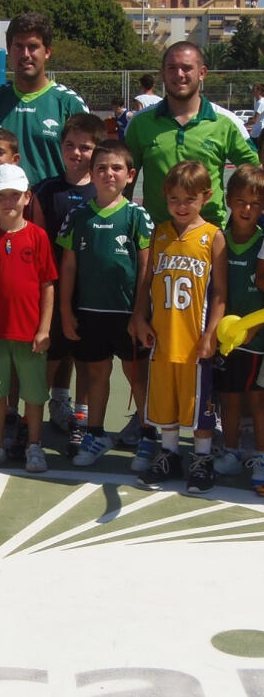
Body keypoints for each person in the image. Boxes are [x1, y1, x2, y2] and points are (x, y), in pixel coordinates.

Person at [130, 161, 226, 493]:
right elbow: (147, 283)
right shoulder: (159, 233)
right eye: (174, 199)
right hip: (161, 336)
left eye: (189, 199)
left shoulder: (213, 237)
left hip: (195, 341)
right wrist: (140, 317)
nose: (181, 206)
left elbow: (220, 294)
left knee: (198, 406)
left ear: (206, 197)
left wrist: (210, 335)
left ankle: (201, 459)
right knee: (165, 403)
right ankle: (169, 454)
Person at [57, 140, 154, 470]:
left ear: (130, 175)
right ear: (91, 173)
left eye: (116, 168)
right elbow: (68, 266)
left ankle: (149, 437)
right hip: (90, 312)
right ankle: (95, 433)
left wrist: (140, 313)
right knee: (96, 375)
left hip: (128, 315)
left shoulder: (136, 215)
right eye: (101, 168)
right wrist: (66, 310)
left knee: (137, 377)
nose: (108, 174)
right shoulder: (78, 215)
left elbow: (146, 266)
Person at [0, 163, 56, 473]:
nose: (8, 202)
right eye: (0, 196)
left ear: (27, 197)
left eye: (14, 195)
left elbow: (47, 286)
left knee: (33, 393)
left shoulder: (39, 237)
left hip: (31, 336)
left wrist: (44, 329)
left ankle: (33, 445)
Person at [30, 113, 106, 451]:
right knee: (51, 355)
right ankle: (39, 411)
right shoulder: (46, 190)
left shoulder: (104, 191)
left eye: (86, 148)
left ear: (98, 150)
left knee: (88, 359)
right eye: (70, 146)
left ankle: (82, 418)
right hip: (54, 288)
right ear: (60, 147)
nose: (77, 153)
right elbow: (37, 241)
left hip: (92, 293)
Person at [125, 41, 258, 227]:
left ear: (202, 73)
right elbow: (124, 182)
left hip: (210, 239)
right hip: (155, 237)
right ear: (162, 73)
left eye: (187, 68)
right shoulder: (140, 123)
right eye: (172, 68)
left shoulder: (226, 122)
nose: (179, 75)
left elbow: (256, 173)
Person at [0, 11, 88, 187]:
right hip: (1, 210)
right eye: (18, 46)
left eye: (33, 46)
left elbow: (90, 166)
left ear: (47, 52)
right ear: (9, 50)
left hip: (54, 211)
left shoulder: (70, 104)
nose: (25, 54)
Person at [213, 165, 264, 494]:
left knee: (258, 402)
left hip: (257, 340)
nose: (247, 209)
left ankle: (260, 457)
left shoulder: (262, 243)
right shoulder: (218, 239)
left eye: (255, 204)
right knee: (228, 399)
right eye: (241, 201)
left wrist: (251, 328)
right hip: (224, 339)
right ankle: (230, 450)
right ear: (229, 200)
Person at [246, 83, 264, 156]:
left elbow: (254, 120)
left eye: (254, 89)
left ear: (259, 91)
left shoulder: (261, 103)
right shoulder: (258, 102)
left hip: (260, 132)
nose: (252, 91)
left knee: (255, 153)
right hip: (256, 132)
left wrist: (242, 125)